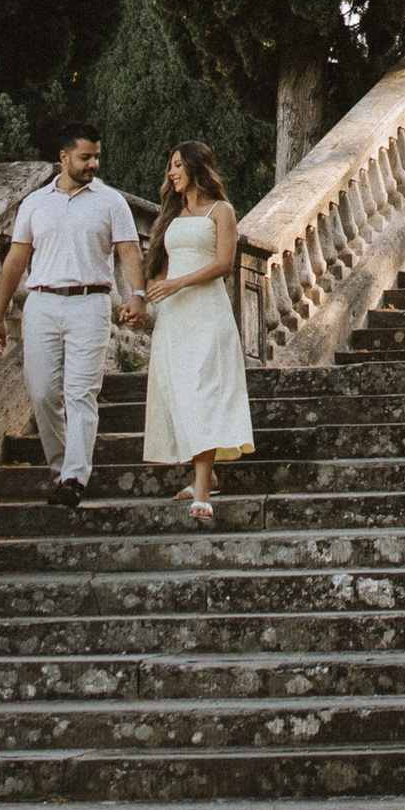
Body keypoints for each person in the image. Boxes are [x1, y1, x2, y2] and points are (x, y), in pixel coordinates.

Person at [0, 124, 146, 509]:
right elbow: (15, 260)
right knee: (42, 393)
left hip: (90, 303)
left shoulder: (110, 202)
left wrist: (138, 295)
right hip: (41, 304)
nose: (93, 164)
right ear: (64, 157)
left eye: (96, 157)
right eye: (85, 157)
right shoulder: (35, 203)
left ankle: (75, 477)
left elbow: (129, 252)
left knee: (80, 393)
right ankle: (60, 471)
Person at [140, 140, 253, 527]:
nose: (171, 173)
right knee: (182, 394)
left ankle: (202, 492)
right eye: (169, 167)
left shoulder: (222, 211)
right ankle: (208, 473)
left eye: (176, 165)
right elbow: (157, 265)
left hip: (207, 313)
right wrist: (145, 297)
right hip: (174, 318)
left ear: (195, 167)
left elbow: (224, 263)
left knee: (204, 392)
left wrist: (179, 284)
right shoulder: (170, 216)